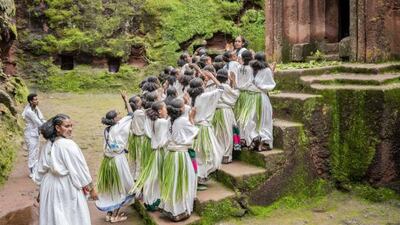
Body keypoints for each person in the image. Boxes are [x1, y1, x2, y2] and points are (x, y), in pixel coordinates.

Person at [33, 114, 98, 225]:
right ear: (58, 128)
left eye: (71, 126)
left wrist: (41, 192)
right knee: (70, 216)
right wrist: (91, 189)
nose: (70, 129)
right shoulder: (68, 145)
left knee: (53, 217)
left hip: (48, 186)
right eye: (67, 126)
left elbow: (40, 171)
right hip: (65, 186)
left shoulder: (47, 144)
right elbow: (81, 169)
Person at [161, 98, 198, 222]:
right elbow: (195, 134)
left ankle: (171, 210)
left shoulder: (169, 121)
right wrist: (192, 118)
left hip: (171, 155)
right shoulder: (183, 121)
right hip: (181, 156)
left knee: (173, 182)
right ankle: (180, 211)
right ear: (182, 109)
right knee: (182, 182)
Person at [95, 108, 135, 223]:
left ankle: (109, 214)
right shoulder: (119, 127)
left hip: (108, 161)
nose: (120, 116)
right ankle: (115, 216)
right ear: (114, 119)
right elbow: (131, 115)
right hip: (118, 161)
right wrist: (126, 100)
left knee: (112, 187)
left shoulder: (107, 130)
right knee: (120, 187)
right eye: (118, 115)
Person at [130, 101, 169, 211]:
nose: (167, 110)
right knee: (157, 177)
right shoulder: (162, 122)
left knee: (152, 175)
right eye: (165, 108)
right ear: (160, 111)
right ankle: (153, 200)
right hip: (159, 153)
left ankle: (150, 199)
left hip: (154, 152)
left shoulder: (151, 118)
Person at [188, 70, 224, 189]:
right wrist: (213, 77)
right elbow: (221, 88)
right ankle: (199, 178)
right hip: (204, 129)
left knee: (199, 155)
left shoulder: (192, 98)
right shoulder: (204, 96)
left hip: (196, 128)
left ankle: (199, 177)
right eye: (203, 83)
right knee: (210, 154)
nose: (205, 84)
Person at [235, 51, 276, 151]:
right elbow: (269, 85)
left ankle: (253, 138)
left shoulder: (251, 68)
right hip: (262, 96)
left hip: (251, 96)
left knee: (252, 119)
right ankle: (265, 141)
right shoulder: (266, 70)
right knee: (265, 120)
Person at [211, 69, 240, 163]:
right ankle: (227, 155)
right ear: (226, 77)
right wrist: (234, 81)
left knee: (219, 134)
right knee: (228, 134)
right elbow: (235, 94)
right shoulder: (225, 86)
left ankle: (220, 154)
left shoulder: (215, 87)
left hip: (217, 112)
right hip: (226, 112)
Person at [22, 93, 46, 178]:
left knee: (36, 151)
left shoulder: (35, 108)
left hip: (35, 133)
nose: (37, 101)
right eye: (35, 100)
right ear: (30, 101)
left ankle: (35, 170)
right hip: (30, 134)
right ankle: (32, 172)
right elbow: (38, 122)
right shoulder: (29, 111)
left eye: (37, 99)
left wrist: (46, 123)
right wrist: (47, 127)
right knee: (32, 152)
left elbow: (41, 118)